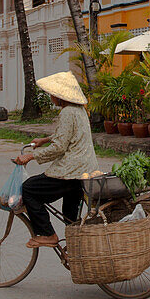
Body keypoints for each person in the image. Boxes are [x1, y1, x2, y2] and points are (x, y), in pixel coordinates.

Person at [12, 71, 97, 248]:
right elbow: (67, 134)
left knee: (29, 189)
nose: (51, 97)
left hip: (71, 171)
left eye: (52, 94)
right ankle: (78, 251)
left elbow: (60, 147)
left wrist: (31, 156)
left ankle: (47, 234)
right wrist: (44, 140)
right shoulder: (79, 110)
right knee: (70, 216)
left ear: (60, 96)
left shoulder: (67, 113)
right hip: (84, 171)